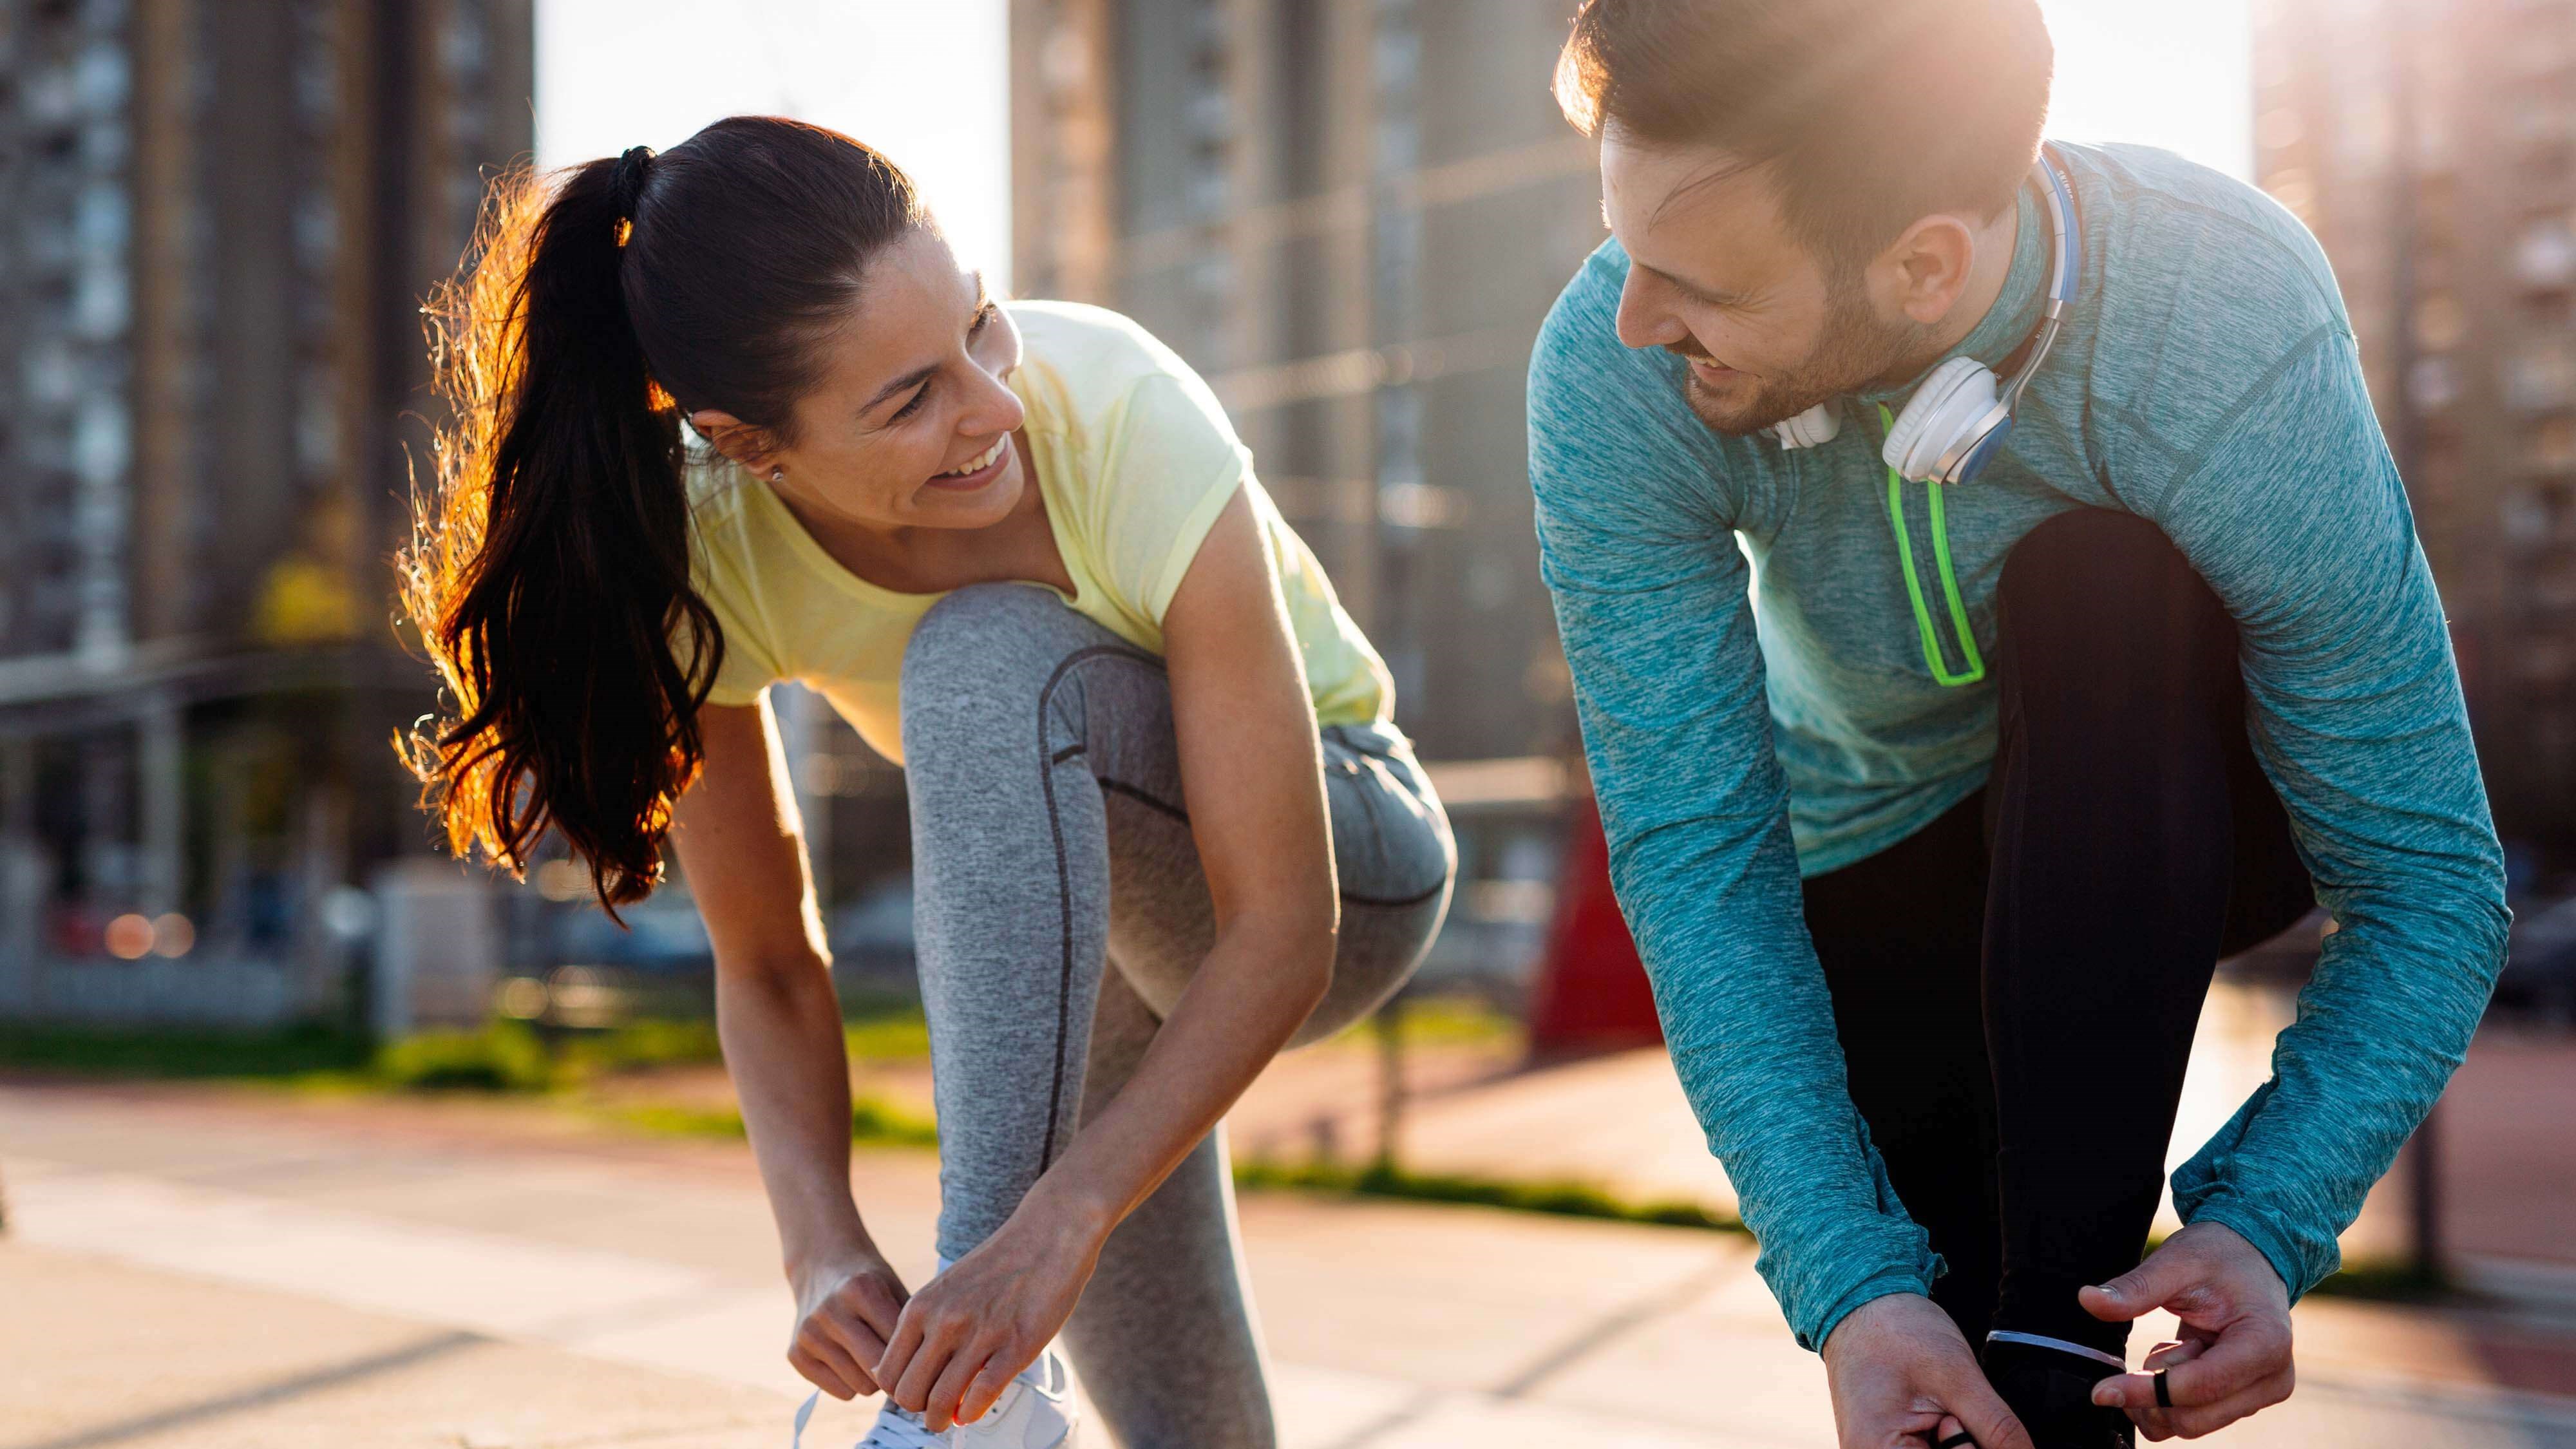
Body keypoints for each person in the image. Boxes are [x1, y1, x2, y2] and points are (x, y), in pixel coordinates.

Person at [1526, 3, 2508, 1446]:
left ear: (1922, 264)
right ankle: (2042, 1359)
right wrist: (1848, 1285)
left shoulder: (2212, 312)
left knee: (2095, 579)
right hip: (1871, 855)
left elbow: (2426, 880)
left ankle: (2062, 1325)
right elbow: (1694, 863)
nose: (1630, 320)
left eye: (1692, 284)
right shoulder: (1611, 376)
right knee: (1957, 1374)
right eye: (1625, 251)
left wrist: (2265, 1219)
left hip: (2180, 806)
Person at [398, 117, 1452, 1449]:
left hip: (1346, 863)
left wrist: (1046, 1226)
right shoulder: (705, 552)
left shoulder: (1117, 411)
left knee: (983, 658)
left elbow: (1280, 928)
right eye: (909, 398)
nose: (992, 406)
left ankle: (962, 1412)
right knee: (1190, 1424)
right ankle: (979, 1386)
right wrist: (820, 1248)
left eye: (979, 326)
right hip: (1093, 949)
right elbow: (768, 960)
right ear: (748, 442)